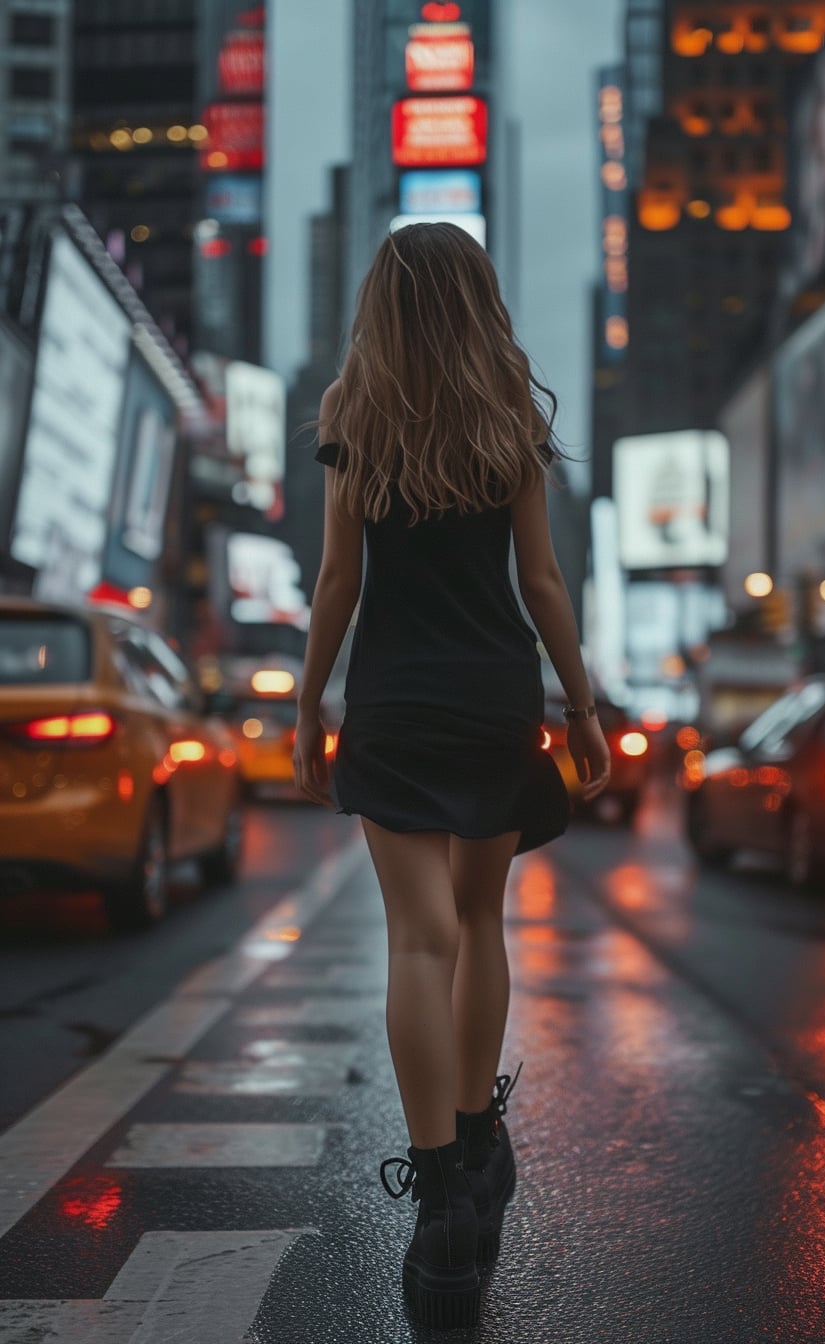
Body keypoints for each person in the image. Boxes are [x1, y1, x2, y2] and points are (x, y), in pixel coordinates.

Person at [294, 222, 610, 1328]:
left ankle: (439, 1211)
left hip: (389, 707)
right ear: (479, 300)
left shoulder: (353, 417)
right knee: (481, 924)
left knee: (415, 939)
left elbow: (337, 581)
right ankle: (476, 1144)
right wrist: (578, 705)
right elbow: (544, 583)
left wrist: (307, 704)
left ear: (381, 305)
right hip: (491, 703)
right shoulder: (509, 421)